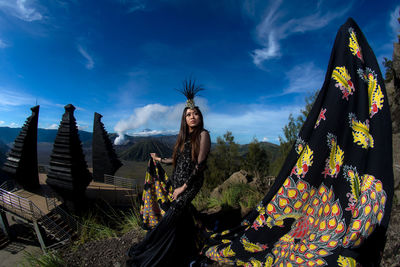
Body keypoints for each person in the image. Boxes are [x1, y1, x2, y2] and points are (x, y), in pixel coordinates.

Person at [126, 79, 211, 267]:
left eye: (195, 113)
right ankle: (187, 247)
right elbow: (178, 160)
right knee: (180, 219)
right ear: (184, 119)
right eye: (188, 114)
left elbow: (200, 165)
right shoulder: (185, 137)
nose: (192, 116)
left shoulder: (203, 135)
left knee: (170, 218)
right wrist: (160, 160)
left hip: (190, 184)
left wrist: (183, 188)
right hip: (177, 181)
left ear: (200, 117)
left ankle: (155, 254)